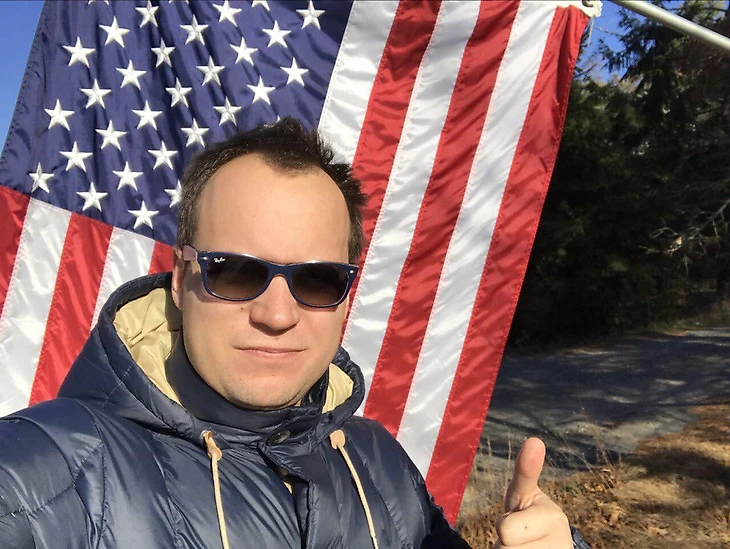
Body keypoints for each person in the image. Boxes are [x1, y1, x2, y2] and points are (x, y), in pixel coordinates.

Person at [0, 118, 590, 548]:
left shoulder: (377, 462)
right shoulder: (46, 473)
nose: (277, 315)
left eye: (317, 279)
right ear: (180, 279)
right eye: (235, 271)